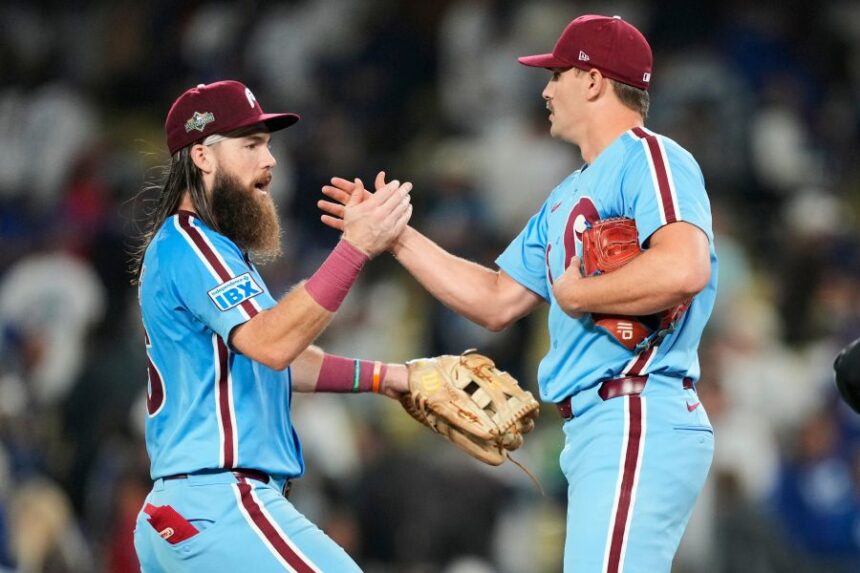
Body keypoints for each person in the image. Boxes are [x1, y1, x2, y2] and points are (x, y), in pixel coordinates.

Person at [321, 15, 717, 572]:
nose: (546, 89)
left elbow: (685, 265)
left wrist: (580, 293)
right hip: (598, 424)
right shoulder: (565, 195)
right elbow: (496, 299)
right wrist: (397, 238)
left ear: (593, 80)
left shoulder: (651, 157)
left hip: (638, 406)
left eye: (557, 75)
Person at [131, 80, 415, 572]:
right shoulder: (191, 243)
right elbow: (273, 343)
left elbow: (280, 356)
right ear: (202, 156)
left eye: (268, 144)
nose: (271, 160)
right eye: (251, 145)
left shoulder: (210, 249)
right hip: (217, 503)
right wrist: (356, 247)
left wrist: (389, 377)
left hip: (184, 510)